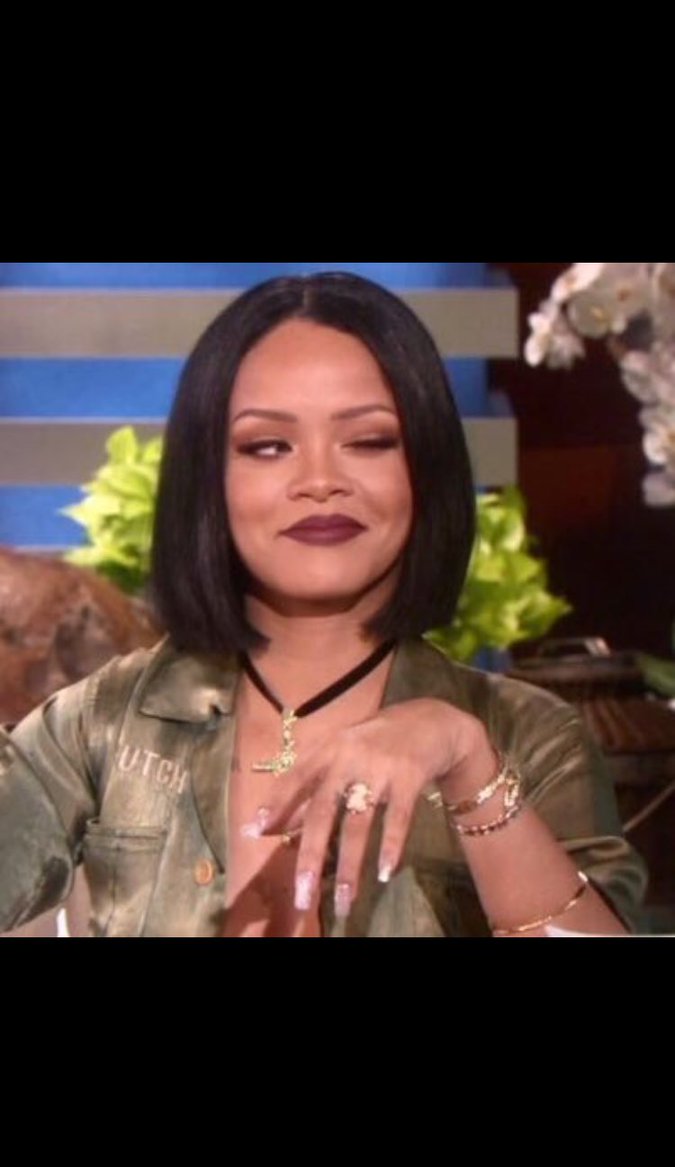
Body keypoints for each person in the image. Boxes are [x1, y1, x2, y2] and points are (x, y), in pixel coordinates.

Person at [0, 271, 646, 937]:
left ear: (425, 468)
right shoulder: (101, 724)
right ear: (210, 479)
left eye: (368, 441)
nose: (319, 481)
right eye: (268, 446)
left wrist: (468, 769)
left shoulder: (527, 736)